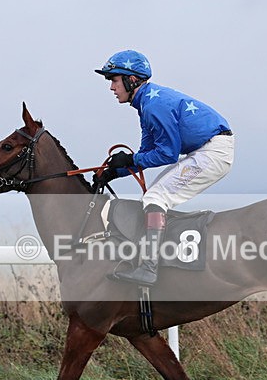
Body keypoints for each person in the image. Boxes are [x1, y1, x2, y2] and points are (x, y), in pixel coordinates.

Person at [94, 49, 234, 286]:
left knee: (157, 197)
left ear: (131, 80)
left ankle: (148, 268)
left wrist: (129, 160)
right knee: (154, 196)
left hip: (212, 152)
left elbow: (167, 154)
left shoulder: (153, 105)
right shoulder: (146, 104)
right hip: (204, 150)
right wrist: (114, 172)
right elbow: (147, 153)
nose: (111, 87)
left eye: (114, 80)